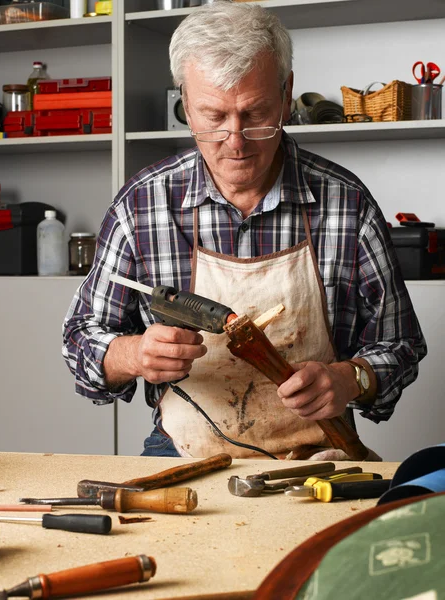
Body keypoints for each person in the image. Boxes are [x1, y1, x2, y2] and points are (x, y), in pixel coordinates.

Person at [62, 1, 426, 461]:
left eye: (254, 114)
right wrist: (134, 354)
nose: (235, 142)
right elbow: (80, 338)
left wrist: (351, 378)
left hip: (320, 451)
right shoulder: (143, 204)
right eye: (213, 117)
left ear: (286, 93)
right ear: (185, 104)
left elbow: (402, 344)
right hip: (184, 452)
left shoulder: (346, 203)